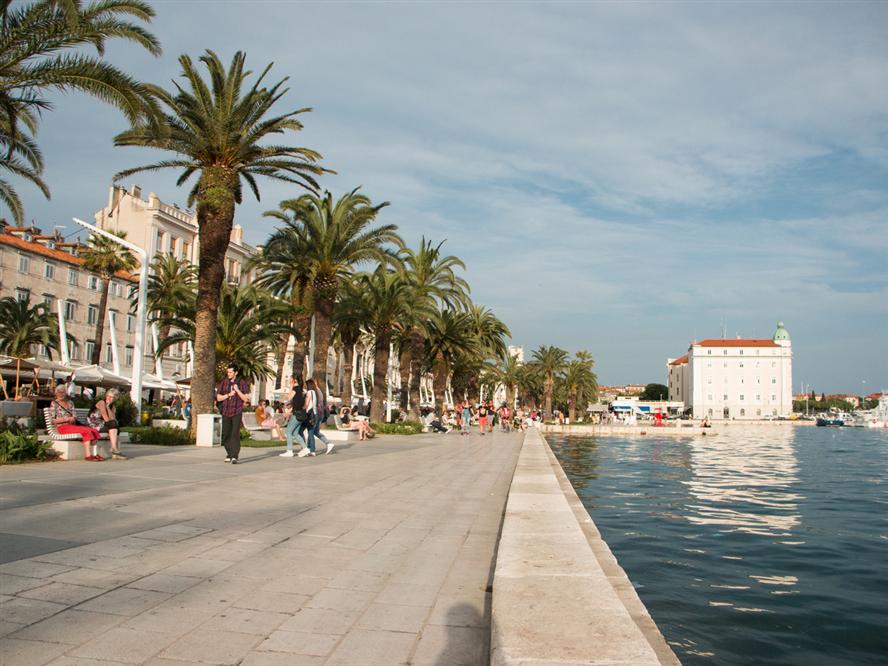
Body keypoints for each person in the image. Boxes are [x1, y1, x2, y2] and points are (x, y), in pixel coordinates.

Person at [49, 384, 102, 460]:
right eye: (59, 392)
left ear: (66, 393)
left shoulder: (70, 402)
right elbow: (53, 420)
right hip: (62, 427)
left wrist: (73, 418)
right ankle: (88, 455)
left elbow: (74, 415)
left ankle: (95, 453)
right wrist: (66, 419)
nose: (61, 394)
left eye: (63, 392)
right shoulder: (54, 404)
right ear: (56, 393)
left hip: (72, 426)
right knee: (86, 431)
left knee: (93, 430)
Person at [216, 364, 249, 464]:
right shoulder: (224, 382)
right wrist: (228, 395)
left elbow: (246, 398)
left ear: (236, 373)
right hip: (226, 411)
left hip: (236, 411)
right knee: (226, 434)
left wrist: (237, 390)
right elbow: (218, 397)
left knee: (235, 434)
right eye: (228, 372)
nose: (229, 374)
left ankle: (234, 456)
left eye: (230, 372)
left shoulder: (242, 383)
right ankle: (229, 453)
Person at [90, 388, 125, 459]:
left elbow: (112, 418)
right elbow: (105, 416)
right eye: (108, 396)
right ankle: (114, 449)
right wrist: (110, 423)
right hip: (94, 424)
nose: (108, 398)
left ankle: (115, 452)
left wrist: (108, 407)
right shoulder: (101, 402)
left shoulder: (112, 406)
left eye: (111, 397)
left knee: (116, 427)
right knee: (113, 425)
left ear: (115, 398)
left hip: (102, 424)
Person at [280, 375, 308, 457]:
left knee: (288, 432)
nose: (289, 380)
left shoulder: (296, 389)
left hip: (297, 415)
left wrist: (291, 387)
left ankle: (289, 451)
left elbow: (288, 398)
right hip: (301, 414)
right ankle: (305, 448)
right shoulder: (300, 390)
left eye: (290, 379)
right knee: (295, 433)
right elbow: (296, 402)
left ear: (294, 380)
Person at [306, 379, 333, 455]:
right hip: (320, 414)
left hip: (316, 414)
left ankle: (311, 449)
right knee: (315, 432)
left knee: (311, 432)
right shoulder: (319, 391)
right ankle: (327, 443)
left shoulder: (315, 391)